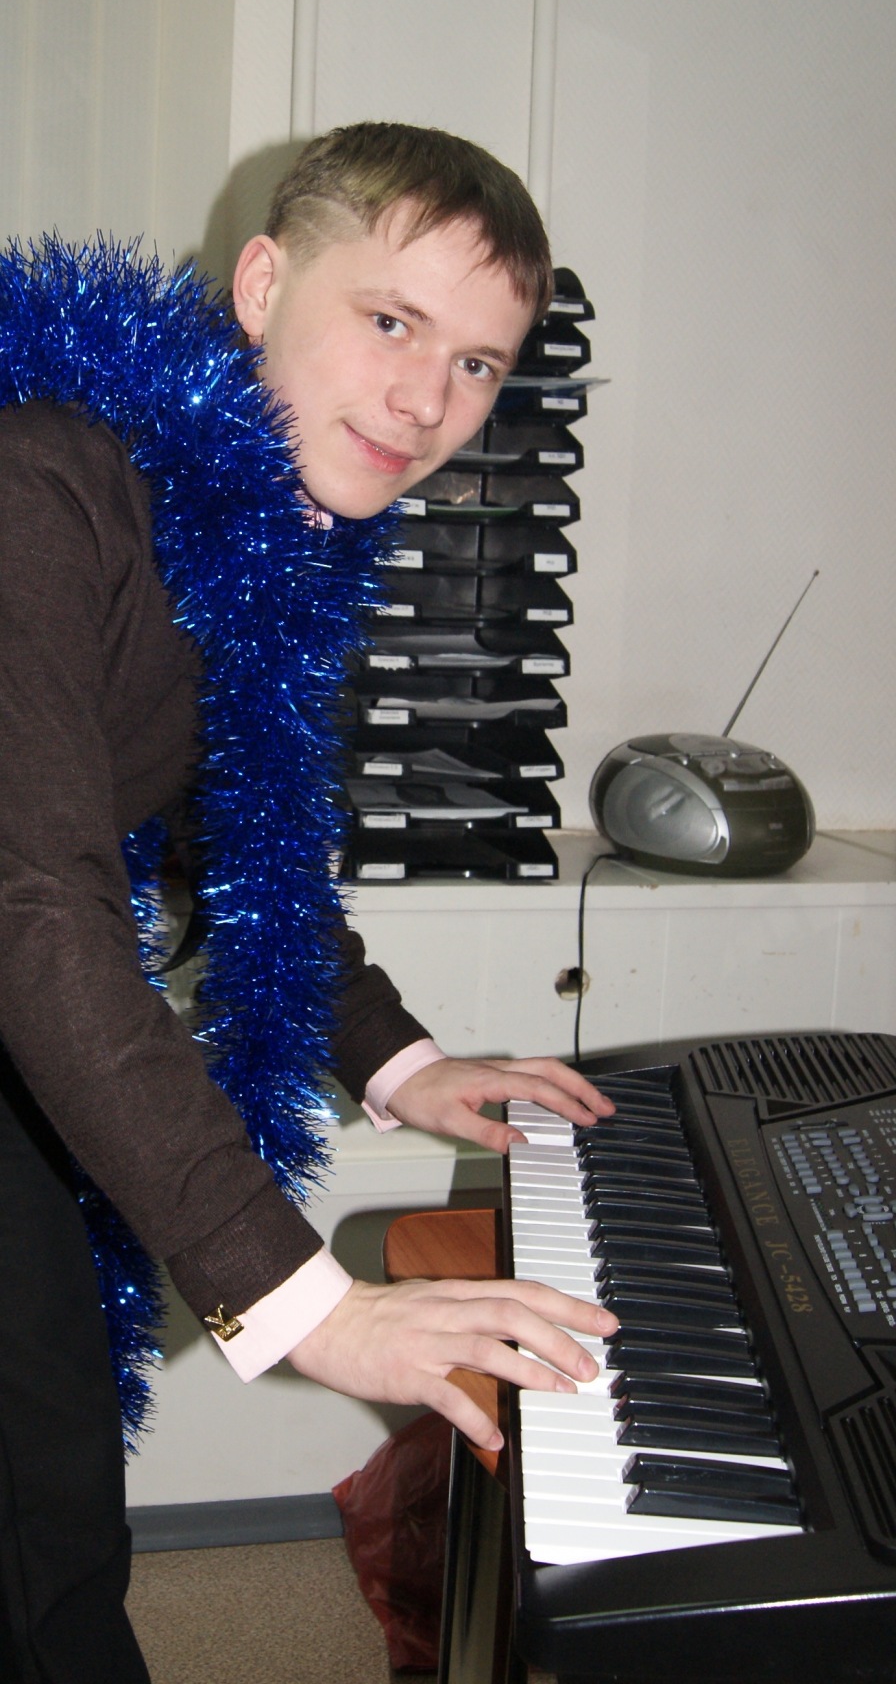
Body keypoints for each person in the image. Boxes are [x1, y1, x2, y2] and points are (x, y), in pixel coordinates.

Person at [0, 122, 616, 1683]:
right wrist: (309, 1303)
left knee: (49, 1496)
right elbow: (38, 906)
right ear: (266, 284)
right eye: (391, 321)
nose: (426, 402)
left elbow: (241, 836)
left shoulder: (257, 533)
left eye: (477, 365)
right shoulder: (44, 482)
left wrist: (401, 1063)